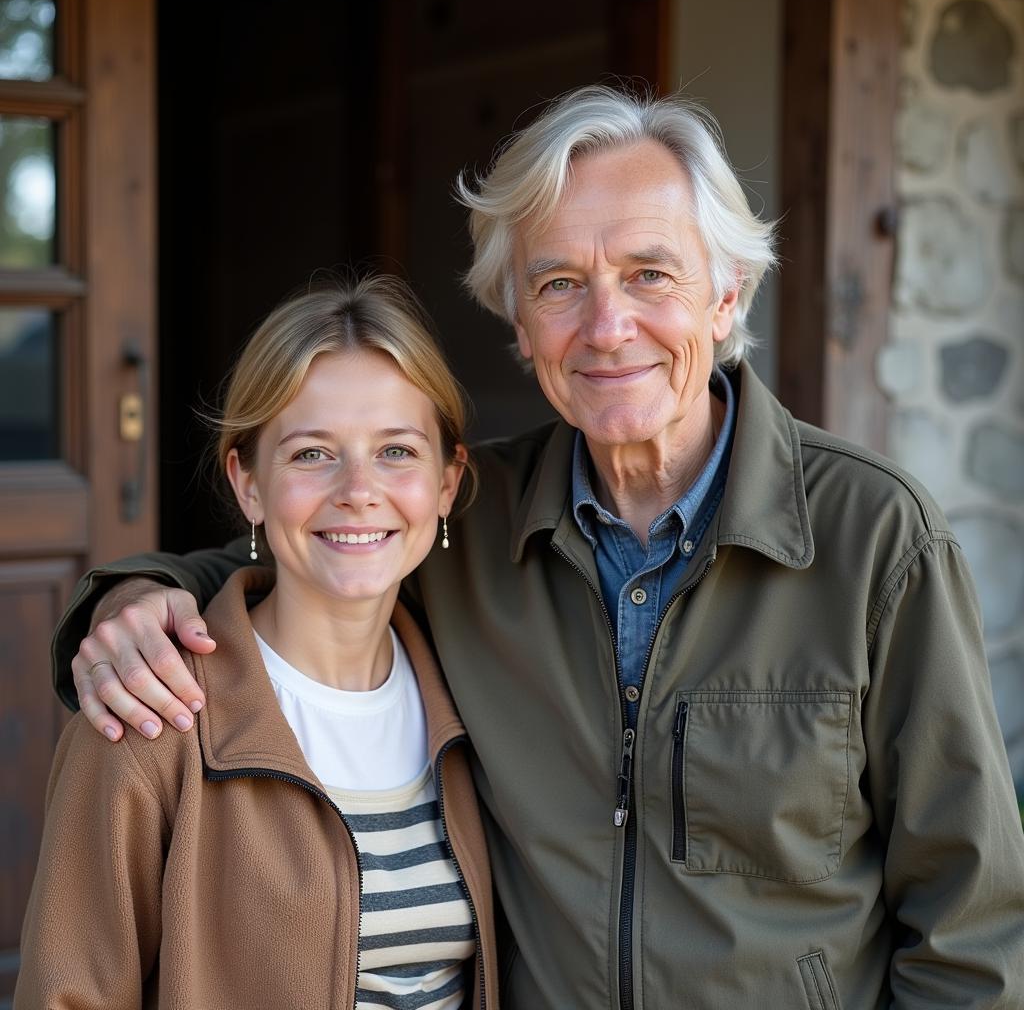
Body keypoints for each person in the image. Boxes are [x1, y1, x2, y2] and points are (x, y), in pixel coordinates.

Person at [49, 86, 1024, 1008]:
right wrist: (134, 595)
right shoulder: (466, 520)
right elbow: (319, 544)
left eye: (649, 273)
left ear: (726, 297)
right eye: (560, 283)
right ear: (519, 325)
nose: (607, 326)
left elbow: (970, 923)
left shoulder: (872, 537)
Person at [17, 276, 498, 1009]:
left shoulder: (478, 695)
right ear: (248, 484)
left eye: (397, 451)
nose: (358, 489)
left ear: (446, 482)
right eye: (312, 454)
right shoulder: (150, 713)